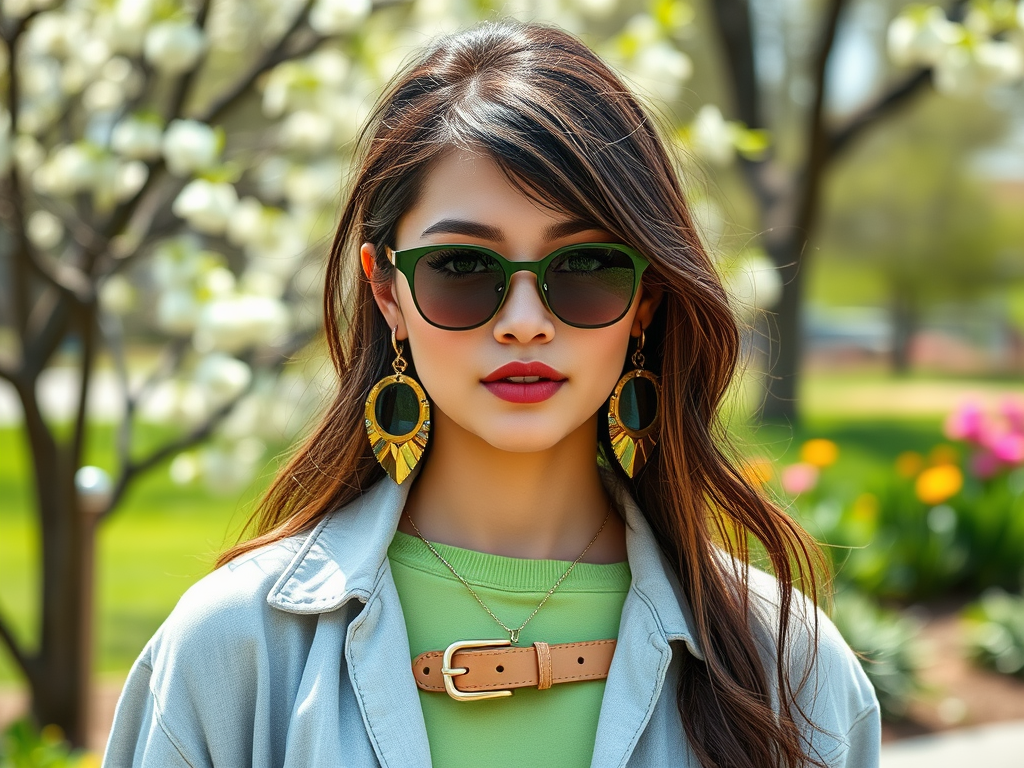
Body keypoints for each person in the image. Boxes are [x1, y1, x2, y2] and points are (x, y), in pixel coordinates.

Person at [103, 20, 879, 768]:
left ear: (645, 298)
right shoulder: (230, 652)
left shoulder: (789, 668)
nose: (524, 323)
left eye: (583, 267)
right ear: (387, 292)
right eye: (463, 268)